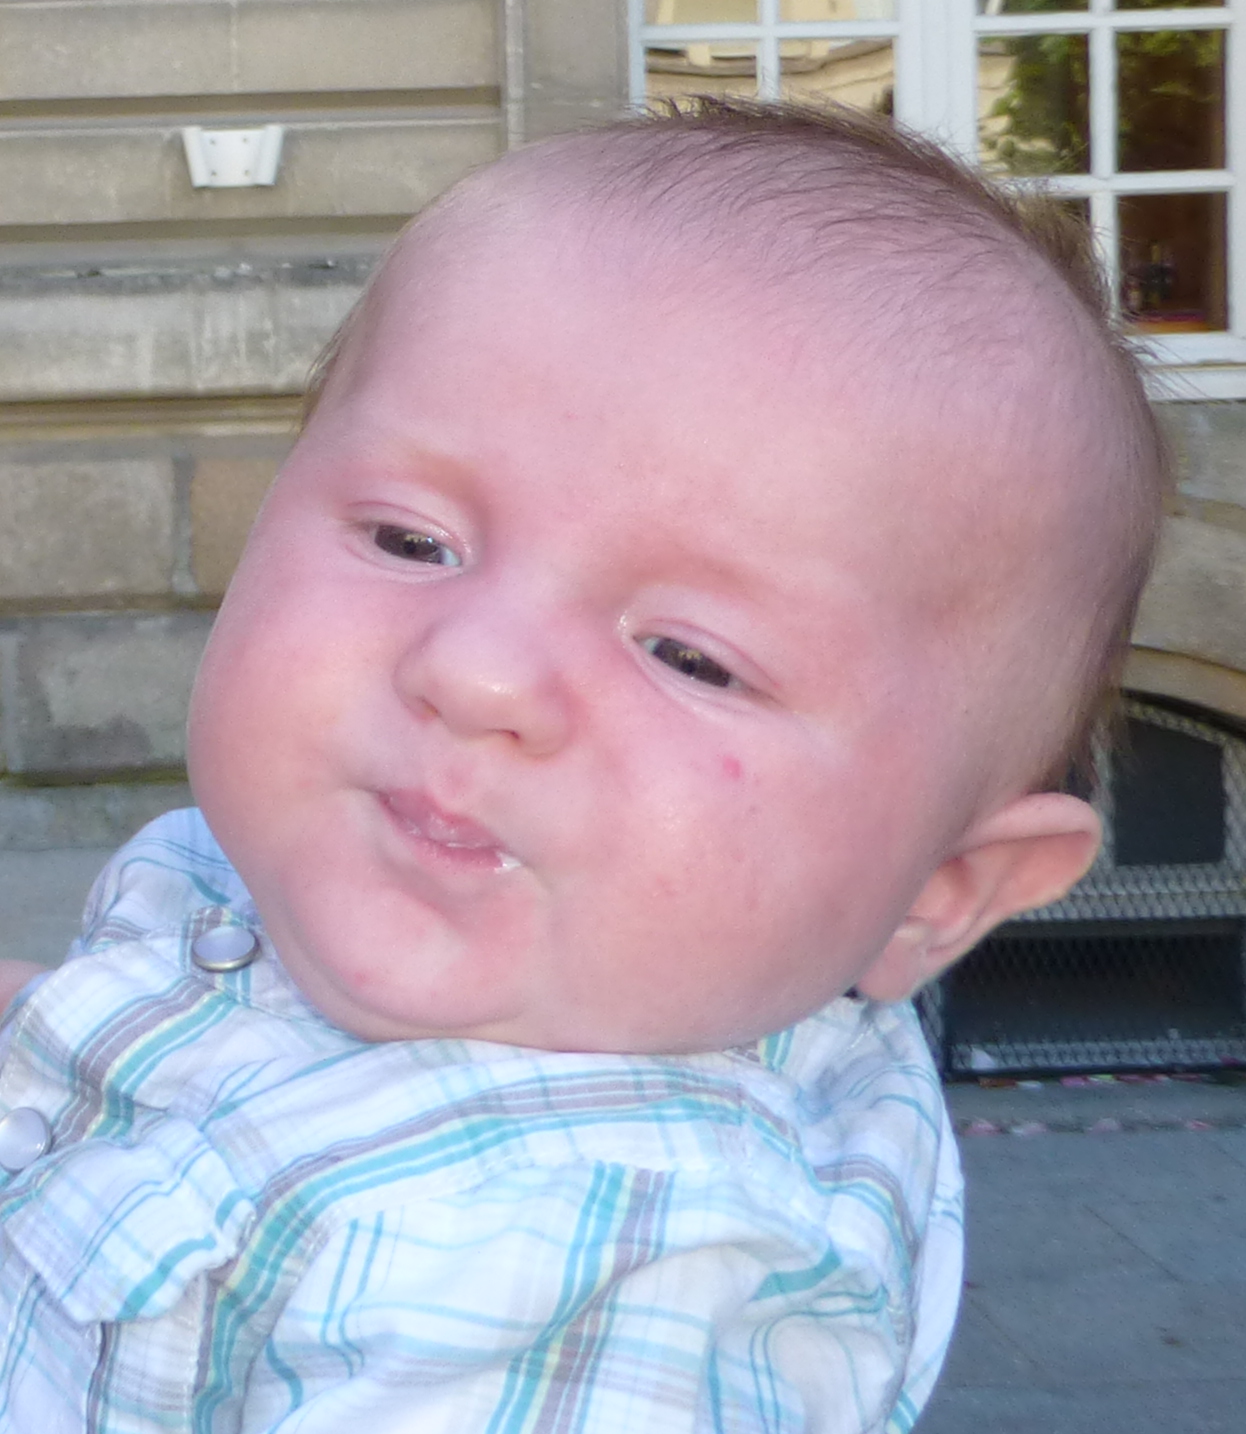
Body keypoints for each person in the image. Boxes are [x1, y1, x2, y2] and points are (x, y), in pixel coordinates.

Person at [0, 100, 1162, 1433]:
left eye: (692, 656)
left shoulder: (604, 1281)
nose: (477, 670)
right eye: (411, 540)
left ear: (939, 889)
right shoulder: (309, 875)